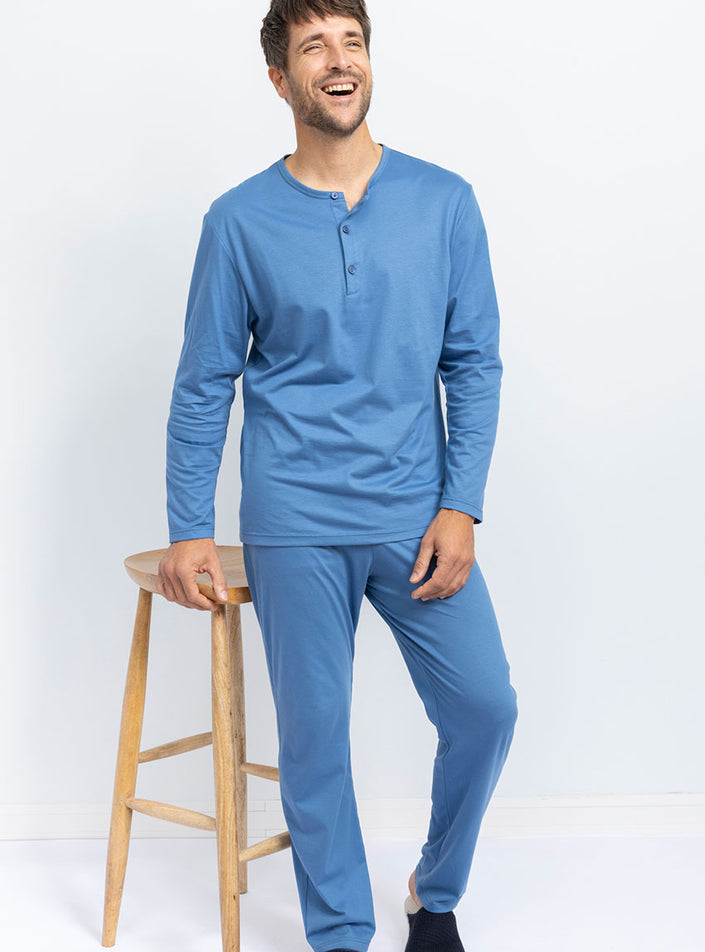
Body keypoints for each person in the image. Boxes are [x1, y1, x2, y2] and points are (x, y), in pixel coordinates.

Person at [157, 2, 518, 950]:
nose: (338, 60)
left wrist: (460, 505)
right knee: (316, 741)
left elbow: (473, 364)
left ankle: (434, 891)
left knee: (484, 707)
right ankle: (341, 935)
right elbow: (204, 381)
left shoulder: (444, 201)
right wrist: (189, 524)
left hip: (414, 514)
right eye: (314, 46)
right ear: (282, 80)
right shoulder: (238, 220)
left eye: (351, 42)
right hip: (296, 517)